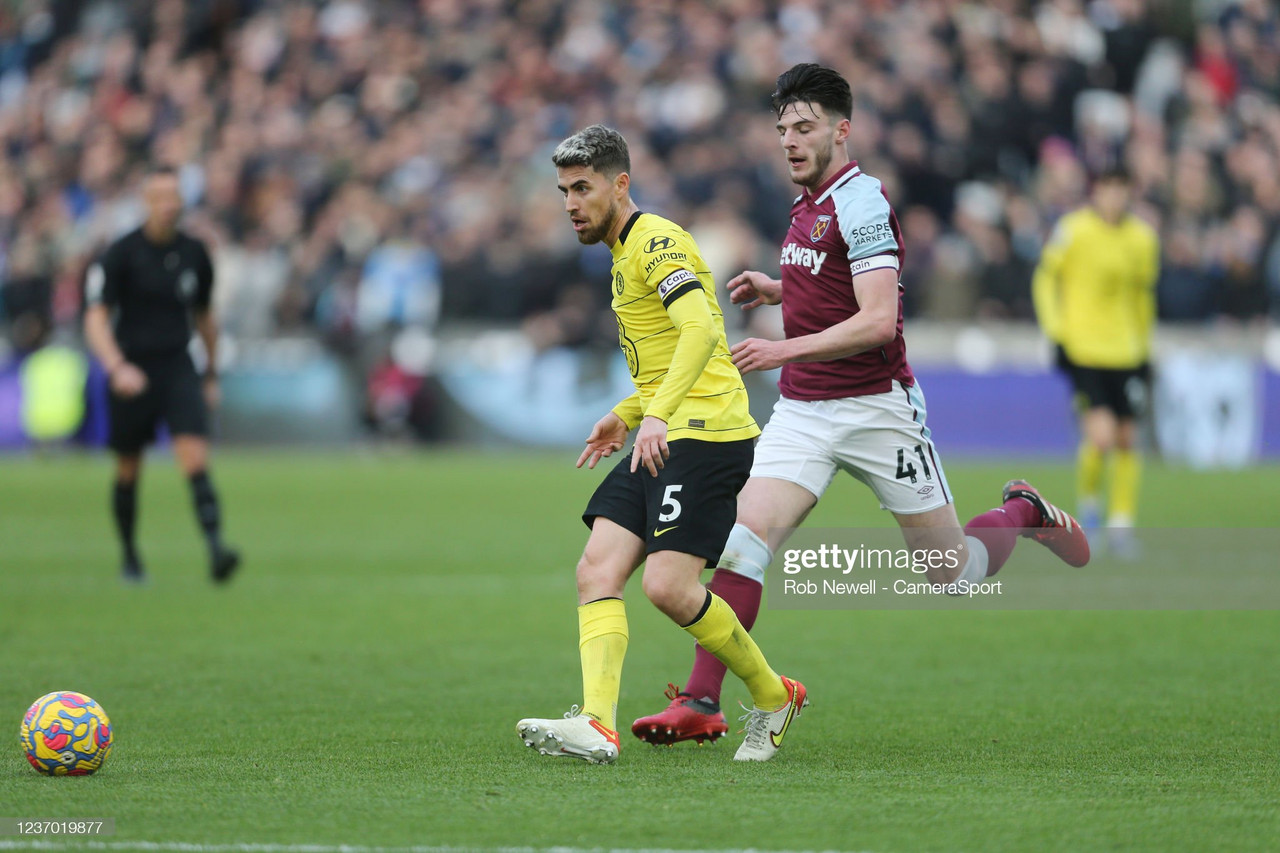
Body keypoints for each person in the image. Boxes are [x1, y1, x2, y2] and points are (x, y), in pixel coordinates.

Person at [631, 64, 1090, 746]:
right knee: (742, 544)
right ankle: (703, 699)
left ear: (842, 131)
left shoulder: (863, 200)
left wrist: (780, 349)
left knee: (952, 574)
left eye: (805, 128)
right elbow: (835, 281)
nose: (790, 140)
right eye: (782, 129)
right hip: (806, 410)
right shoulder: (805, 205)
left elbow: (878, 319)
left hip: (878, 409)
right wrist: (779, 287)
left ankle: (1022, 509)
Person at [515, 125, 806, 764]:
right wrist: (629, 411)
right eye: (563, 190)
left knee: (669, 589)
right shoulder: (621, 255)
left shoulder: (657, 240)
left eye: (582, 188)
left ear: (621, 184)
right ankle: (596, 723)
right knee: (596, 569)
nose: (570, 203)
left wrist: (657, 416)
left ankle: (773, 693)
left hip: (706, 436)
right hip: (666, 431)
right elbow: (668, 355)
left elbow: (702, 331)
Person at [83, 168, 241, 584]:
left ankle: (216, 549)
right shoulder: (121, 254)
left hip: (177, 366)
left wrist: (210, 373)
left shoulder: (194, 253)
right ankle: (130, 557)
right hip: (133, 367)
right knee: (128, 468)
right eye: (160, 197)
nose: (169, 204)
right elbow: (96, 318)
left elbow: (205, 318)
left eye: (175, 196)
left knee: (195, 457)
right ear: (146, 201)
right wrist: (116, 366)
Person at [1032, 167, 1159, 555]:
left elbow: (1142, 295)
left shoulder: (1142, 238)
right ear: (1096, 191)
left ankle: (1121, 525)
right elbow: (1045, 279)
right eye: (1108, 189)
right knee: (1100, 437)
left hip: (1128, 350)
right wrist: (1056, 330)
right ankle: (1089, 512)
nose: (1114, 198)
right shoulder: (1074, 230)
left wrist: (1144, 343)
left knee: (1126, 439)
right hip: (1085, 349)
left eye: (1122, 190)